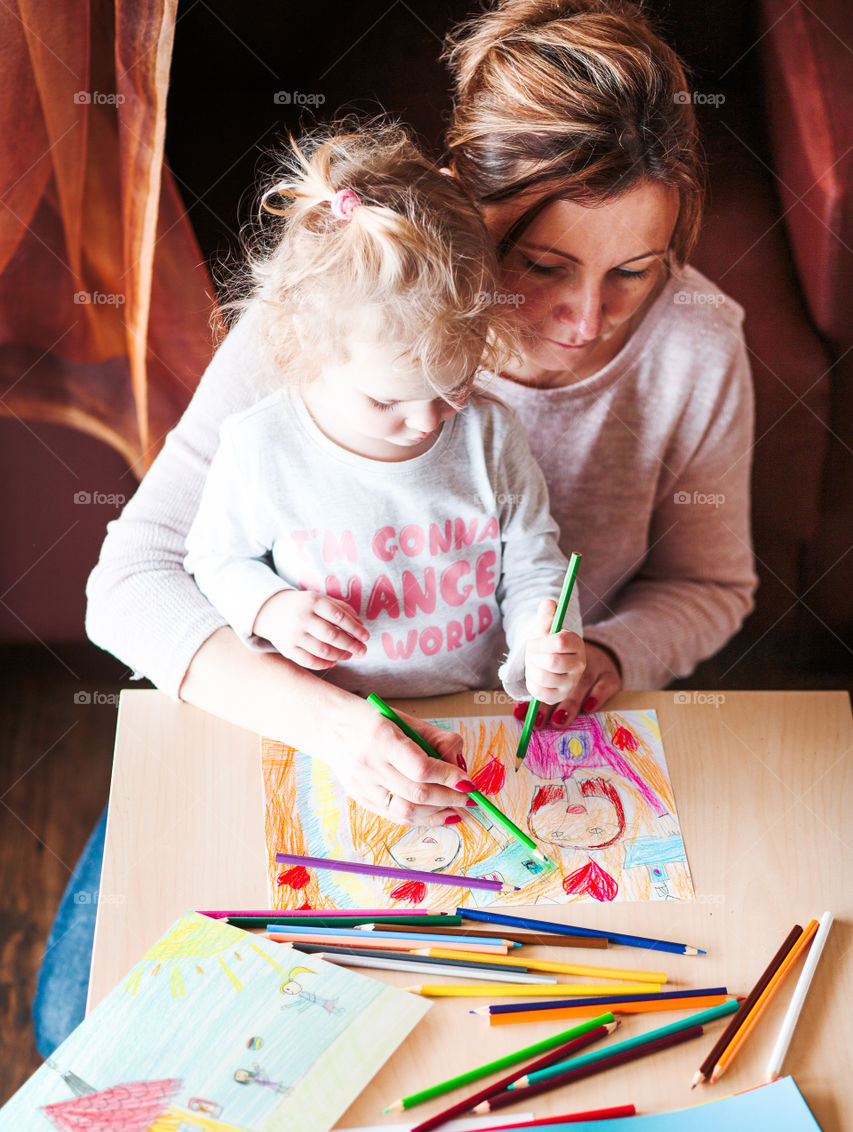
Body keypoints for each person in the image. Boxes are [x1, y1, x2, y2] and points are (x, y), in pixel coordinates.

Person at [37, 0, 756, 1055]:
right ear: (464, 206)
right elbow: (132, 580)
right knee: (91, 1034)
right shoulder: (345, 303)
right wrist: (325, 721)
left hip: (519, 764)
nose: (585, 319)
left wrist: (603, 651)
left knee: (510, 1045)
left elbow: (711, 585)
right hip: (290, 725)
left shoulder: (697, 348)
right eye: (542, 266)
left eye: (634, 272)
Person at [182, 122, 584, 812]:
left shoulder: (488, 434)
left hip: (475, 713)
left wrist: (541, 642)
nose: (428, 420)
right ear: (303, 342)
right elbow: (212, 560)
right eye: (386, 400)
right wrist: (272, 609)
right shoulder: (261, 447)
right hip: (323, 728)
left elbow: (534, 565)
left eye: (453, 385)